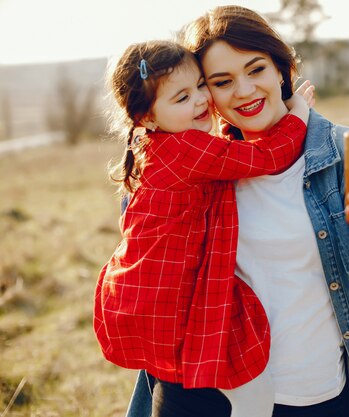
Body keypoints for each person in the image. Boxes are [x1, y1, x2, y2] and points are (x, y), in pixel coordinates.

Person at [124, 6, 349, 417]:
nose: (244, 91)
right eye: (222, 81)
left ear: (282, 69)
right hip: (209, 396)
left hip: (317, 394)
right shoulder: (188, 171)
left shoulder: (338, 152)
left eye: (256, 69)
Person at [93, 39, 315, 417]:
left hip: (146, 290)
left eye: (200, 85)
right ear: (146, 117)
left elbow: (217, 159)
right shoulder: (186, 151)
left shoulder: (156, 145)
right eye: (181, 98)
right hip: (171, 296)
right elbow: (267, 155)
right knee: (253, 392)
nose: (200, 101)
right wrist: (300, 113)